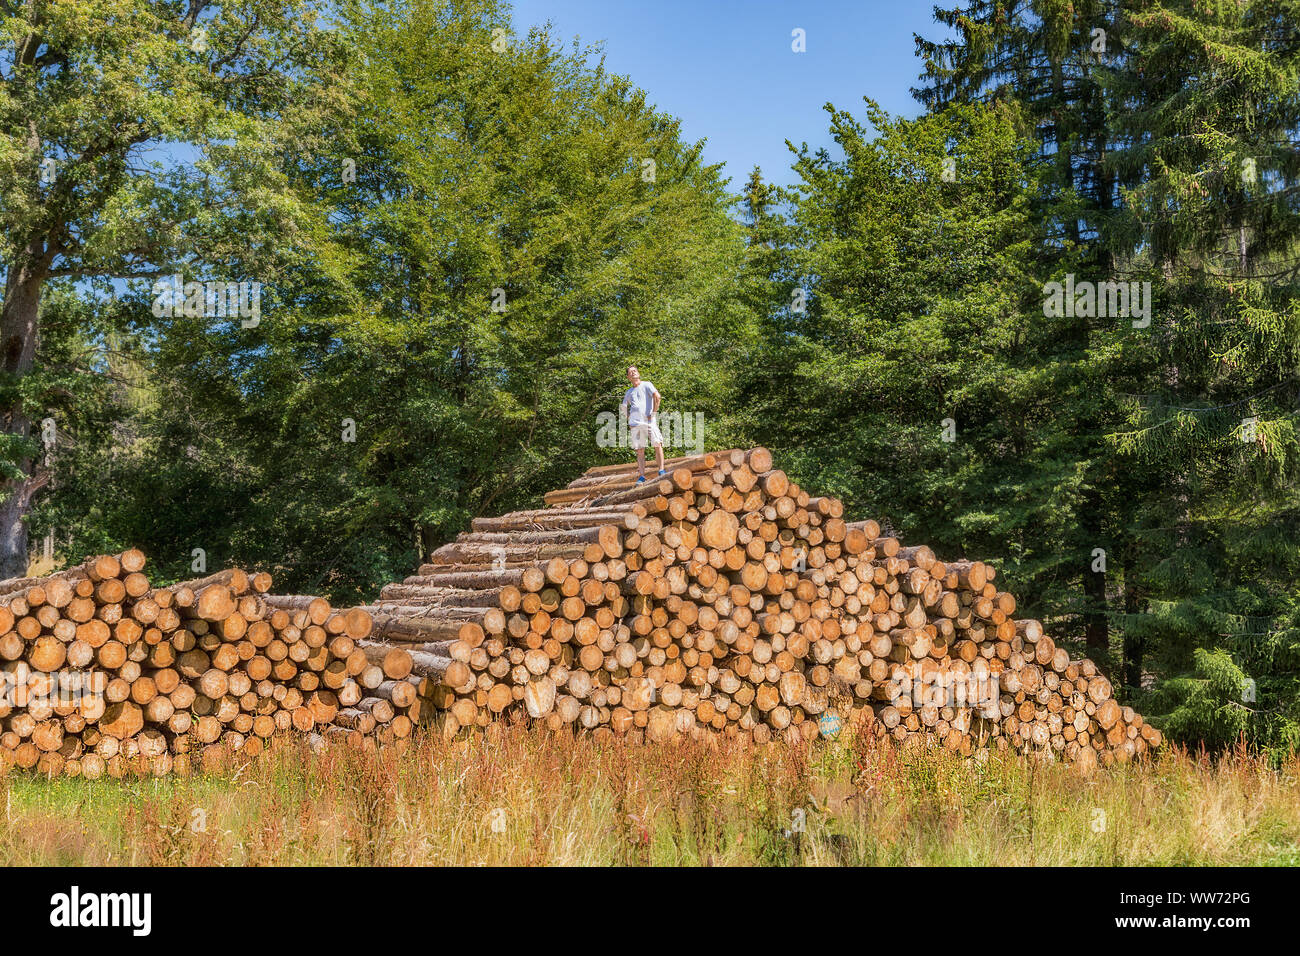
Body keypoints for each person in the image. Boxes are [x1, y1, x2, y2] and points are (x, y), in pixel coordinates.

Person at [620, 366, 665, 482]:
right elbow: (623, 406)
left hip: (649, 421)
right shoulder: (629, 392)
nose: (633, 373)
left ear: (638, 373)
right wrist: (630, 419)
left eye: (635, 370)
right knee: (640, 450)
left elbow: (657, 396)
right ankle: (642, 476)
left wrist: (654, 413)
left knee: (657, 444)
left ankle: (661, 470)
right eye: (630, 372)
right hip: (635, 424)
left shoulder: (647, 384)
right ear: (628, 377)